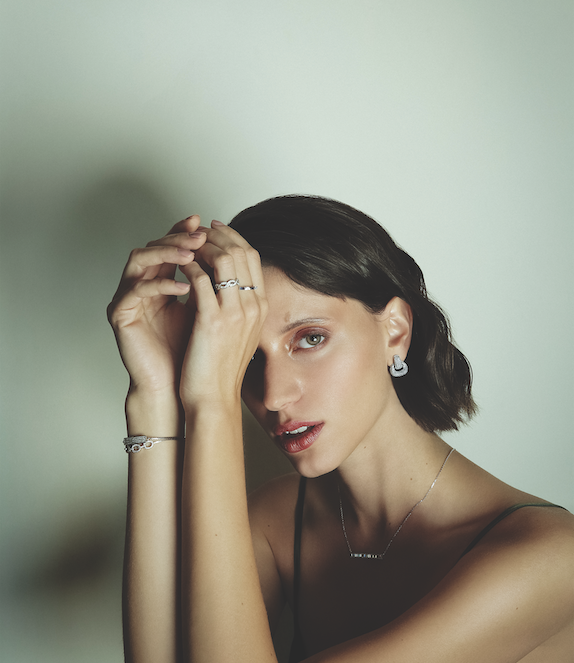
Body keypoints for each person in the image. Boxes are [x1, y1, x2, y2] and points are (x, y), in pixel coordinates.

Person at [108, 195, 574, 663]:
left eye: (310, 338)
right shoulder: (278, 521)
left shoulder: (549, 556)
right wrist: (155, 394)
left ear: (395, 330)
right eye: (245, 359)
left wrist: (213, 402)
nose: (273, 395)